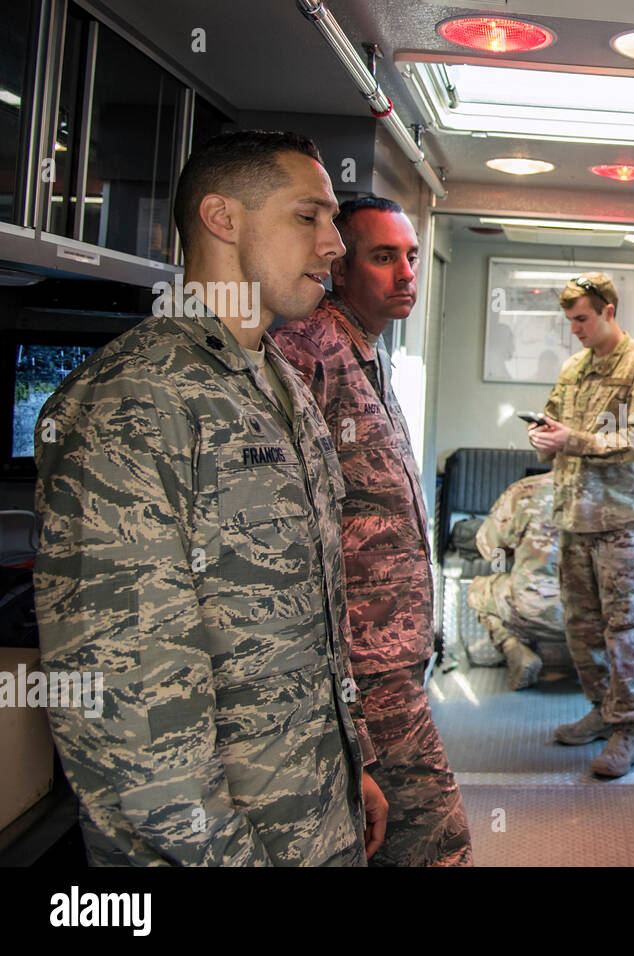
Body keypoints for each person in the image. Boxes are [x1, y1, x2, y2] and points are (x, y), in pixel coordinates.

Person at [34, 129, 388, 865]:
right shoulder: (134, 401)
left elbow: (307, 616)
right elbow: (124, 699)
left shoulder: (279, 385)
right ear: (222, 218)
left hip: (314, 812)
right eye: (308, 217)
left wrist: (349, 770)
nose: (334, 246)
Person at [273, 196, 472, 866]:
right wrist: (345, 713)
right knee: (436, 844)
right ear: (340, 265)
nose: (406, 273)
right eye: (384, 257)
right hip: (361, 665)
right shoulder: (308, 354)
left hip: (391, 656)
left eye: (411, 256)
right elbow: (292, 540)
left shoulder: (365, 352)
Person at [528, 272, 634, 778]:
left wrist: (573, 441)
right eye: (569, 321)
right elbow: (550, 420)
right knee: (582, 628)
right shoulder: (573, 367)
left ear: (609, 310)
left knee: (625, 629)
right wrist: (542, 437)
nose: (575, 329)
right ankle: (601, 710)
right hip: (574, 519)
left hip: (619, 525)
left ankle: (627, 729)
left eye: (582, 319)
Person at [467, 471, 565, 690]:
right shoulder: (614, 491)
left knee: (477, 590)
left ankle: (514, 648)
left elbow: (490, 547)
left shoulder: (524, 491)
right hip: (594, 617)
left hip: (531, 609)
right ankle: (599, 666)